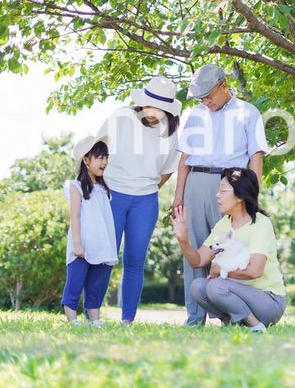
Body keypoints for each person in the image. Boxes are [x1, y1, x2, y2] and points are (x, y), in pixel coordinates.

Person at [173, 64, 270, 325]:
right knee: (193, 246)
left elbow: (256, 157)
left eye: (208, 95)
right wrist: (178, 195)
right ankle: (194, 317)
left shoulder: (248, 113)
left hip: (230, 185)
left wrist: (251, 197)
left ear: (224, 86)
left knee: (229, 249)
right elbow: (184, 158)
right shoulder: (194, 115)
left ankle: (232, 316)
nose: (205, 101)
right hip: (196, 181)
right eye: (200, 97)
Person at [96, 75, 181, 323]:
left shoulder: (170, 130)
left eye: (161, 108)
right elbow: (96, 152)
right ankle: (93, 315)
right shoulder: (121, 116)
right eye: (150, 106)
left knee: (134, 260)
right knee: (104, 257)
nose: (154, 113)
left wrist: (146, 187)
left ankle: (127, 320)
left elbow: (168, 169)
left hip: (145, 200)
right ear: (142, 103)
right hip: (113, 194)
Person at [172, 167, 285, 332]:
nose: (217, 195)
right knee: (197, 286)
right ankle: (230, 324)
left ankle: (256, 326)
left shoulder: (260, 223)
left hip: (269, 301)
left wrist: (221, 269)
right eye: (219, 190)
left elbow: (255, 271)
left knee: (216, 286)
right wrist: (183, 239)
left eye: (223, 191)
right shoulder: (224, 224)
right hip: (238, 294)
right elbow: (198, 261)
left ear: (240, 196)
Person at [61, 136, 118, 327]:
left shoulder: (103, 188)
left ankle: (94, 319)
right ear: (86, 160)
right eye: (99, 157)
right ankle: (72, 319)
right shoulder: (76, 187)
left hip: (100, 246)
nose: (104, 162)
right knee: (75, 282)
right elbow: (75, 217)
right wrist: (77, 243)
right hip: (82, 246)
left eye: (106, 157)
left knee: (95, 285)